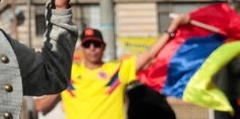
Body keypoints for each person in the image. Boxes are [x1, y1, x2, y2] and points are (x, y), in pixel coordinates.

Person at [34, 13, 191, 119]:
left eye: (96, 44)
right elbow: (41, 105)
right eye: (87, 44)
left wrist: (174, 26)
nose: (92, 48)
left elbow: (150, 54)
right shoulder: (68, 72)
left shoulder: (117, 70)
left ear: (103, 47)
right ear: (81, 48)